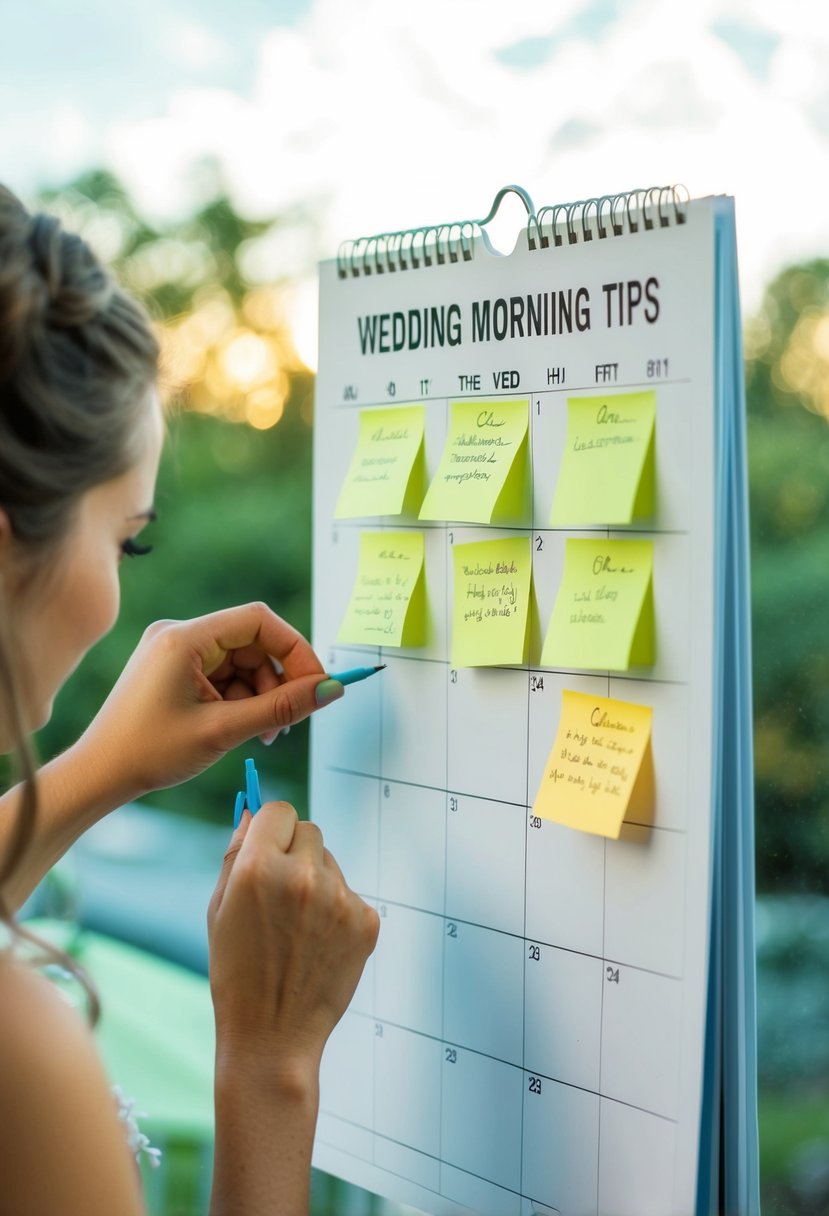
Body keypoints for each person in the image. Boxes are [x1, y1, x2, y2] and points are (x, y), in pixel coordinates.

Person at [0, 183, 379, 1216]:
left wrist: (98, 769)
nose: (119, 597)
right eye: (129, 539)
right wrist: (269, 1061)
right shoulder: (17, 1065)